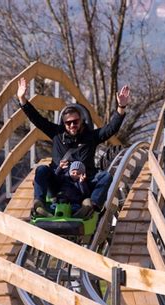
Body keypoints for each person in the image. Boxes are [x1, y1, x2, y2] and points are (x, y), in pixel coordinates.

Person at [17, 77, 130, 216]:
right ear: (63, 124)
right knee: (41, 169)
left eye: (75, 122)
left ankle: (90, 207)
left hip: (82, 181)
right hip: (59, 181)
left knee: (106, 176)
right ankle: (39, 204)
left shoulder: (91, 137)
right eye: (68, 123)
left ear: (82, 121)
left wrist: (121, 107)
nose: (72, 125)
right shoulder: (57, 134)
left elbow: (111, 129)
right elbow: (37, 119)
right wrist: (22, 99)